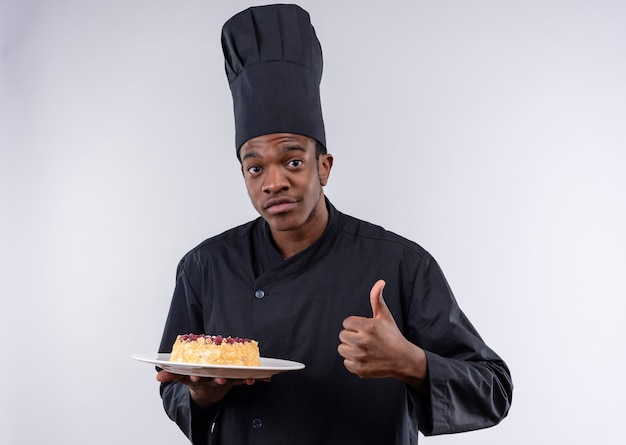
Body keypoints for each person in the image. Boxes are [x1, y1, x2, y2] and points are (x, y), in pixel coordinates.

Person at [155, 4, 513, 444]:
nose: (273, 183)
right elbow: (172, 384)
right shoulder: (205, 267)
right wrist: (202, 396)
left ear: (323, 166)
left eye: (292, 160)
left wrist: (412, 362)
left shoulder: (400, 263)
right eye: (255, 168)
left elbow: (494, 390)